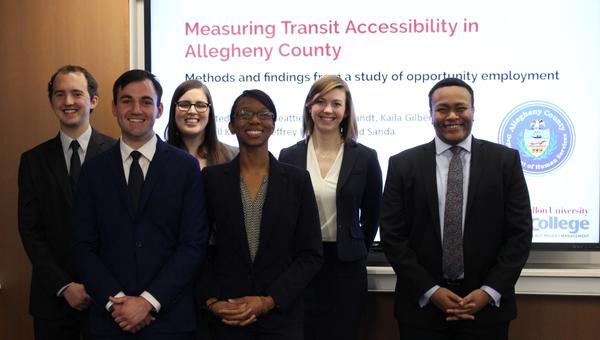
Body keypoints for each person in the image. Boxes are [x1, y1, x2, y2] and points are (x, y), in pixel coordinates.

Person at [380, 77, 532, 340]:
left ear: (473, 110)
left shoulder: (505, 162)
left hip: (487, 311)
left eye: (461, 108)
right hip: (422, 310)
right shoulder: (403, 165)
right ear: (430, 114)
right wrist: (430, 290)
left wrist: (489, 291)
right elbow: (393, 237)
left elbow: (519, 234)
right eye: (442, 109)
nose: (452, 116)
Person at [71, 69, 208, 339]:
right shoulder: (93, 171)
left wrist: (148, 302)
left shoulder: (185, 167)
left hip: (170, 321)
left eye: (146, 101)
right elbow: (83, 246)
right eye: (126, 100)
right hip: (111, 321)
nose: (136, 109)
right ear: (113, 107)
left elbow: (193, 244)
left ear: (158, 110)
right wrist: (118, 303)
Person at [200, 89, 323, 340]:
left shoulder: (297, 181)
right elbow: (199, 247)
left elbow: (310, 254)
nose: (254, 120)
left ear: (273, 125)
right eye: (244, 114)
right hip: (227, 315)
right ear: (232, 125)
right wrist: (212, 301)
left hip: (280, 317)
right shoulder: (211, 180)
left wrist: (268, 300)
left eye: (264, 114)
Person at [278, 75, 382, 340]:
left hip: (346, 267)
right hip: (301, 264)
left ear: (346, 111)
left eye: (336, 104)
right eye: (320, 102)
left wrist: (356, 247)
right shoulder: (289, 156)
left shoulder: (366, 157)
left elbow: (373, 216)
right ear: (309, 107)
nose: (328, 110)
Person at [18, 65, 115, 340]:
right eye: (60, 95)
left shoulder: (118, 155)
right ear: (52, 102)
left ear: (93, 101)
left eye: (76, 93)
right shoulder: (33, 161)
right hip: (53, 300)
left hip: (109, 299)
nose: (68, 102)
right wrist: (64, 285)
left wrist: (99, 284)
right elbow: (30, 231)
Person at [165, 80, 237, 168]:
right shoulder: (157, 157)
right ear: (173, 110)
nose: (192, 111)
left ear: (210, 112)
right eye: (184, 105)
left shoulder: (234, 156)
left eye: (200, 105)